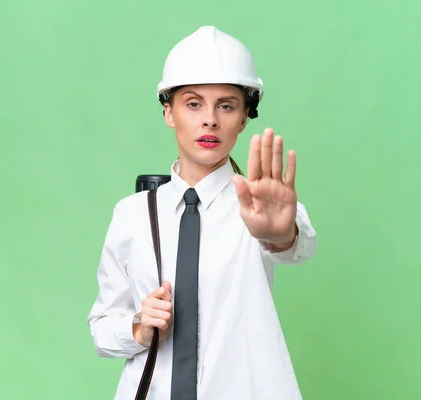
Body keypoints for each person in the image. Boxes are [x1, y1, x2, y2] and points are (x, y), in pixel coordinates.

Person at [87, 26, 317, 399]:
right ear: (169, 112)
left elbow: (298, 245)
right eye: (193, 103)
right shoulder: (132, 214)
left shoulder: (259, 206)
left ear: (244, 119)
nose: (210, 119)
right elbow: (101, 327)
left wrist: (279, 234)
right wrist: (139, 329)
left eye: (226, 105)